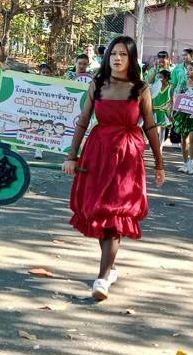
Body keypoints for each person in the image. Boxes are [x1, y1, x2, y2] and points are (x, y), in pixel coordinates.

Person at [64, 35, 165, 301]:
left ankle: (102, 277)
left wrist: (159, 163)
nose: (117, 58)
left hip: (127, 157)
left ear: (131, 59)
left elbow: (150, 126)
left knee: (115, 213)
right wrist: (72, 156)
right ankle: (109, 269)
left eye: (123, 54)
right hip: (97, 154)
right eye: (113, 54)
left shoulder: (140, 89)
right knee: (99, 211)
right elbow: (83, 120)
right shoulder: (97, 84)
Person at [171, 61, 193, 175]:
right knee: (183, 139)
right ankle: (185, 163)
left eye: (191, 69)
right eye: (187, 69)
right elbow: (177, 96)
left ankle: (192, 163)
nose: (188, 71)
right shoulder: (183, 83)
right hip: (183, 115)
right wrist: (173, 109)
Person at [152, 68, 174, 137]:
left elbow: (172, 101)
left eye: (160, 77)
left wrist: (170, 114)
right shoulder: (156, 86)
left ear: (166, 78)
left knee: (162, 130)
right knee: (154, 130)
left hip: (164, 111)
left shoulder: (170, 87)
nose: (158, 79)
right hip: (154, 110)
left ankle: (160, 143)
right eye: (158, 77)